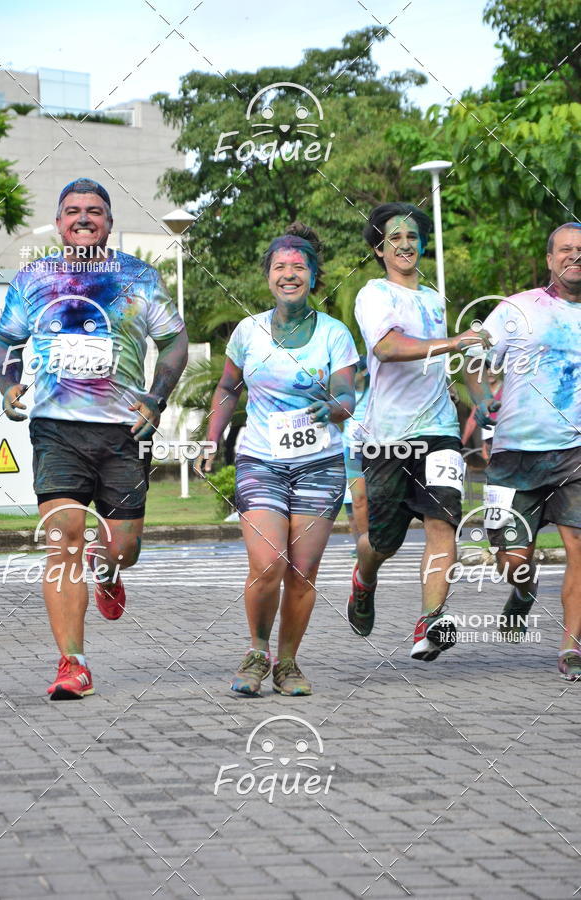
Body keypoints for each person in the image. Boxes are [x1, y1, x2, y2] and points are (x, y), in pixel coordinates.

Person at [0, 178, 188, 700]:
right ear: (58, 223)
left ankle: (110, 572)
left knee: (123, 547)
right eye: (73, 211)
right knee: (63, 543)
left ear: (108, 222)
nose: (83, 218)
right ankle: (72, 664)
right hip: (56, 429)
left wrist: (157, 396)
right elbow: (6, 342)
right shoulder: (34, 277)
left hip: (124, 428)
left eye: (94, 211)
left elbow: (173, 342)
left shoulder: (138, 277)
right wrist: (10, 384)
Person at [199, 223, 358, 696]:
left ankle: (287, 663)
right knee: (268, 563)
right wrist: (211, 438)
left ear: (313, 276)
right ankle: (256, 651)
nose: (289, 274)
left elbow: (349, 395)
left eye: (299, 267)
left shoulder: (334, 334)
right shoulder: (248, 332)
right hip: (260, 459)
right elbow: (228, 388)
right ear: (268, 275)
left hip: (320, 464)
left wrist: (331, 407)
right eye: (279, 266)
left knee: (302, 571)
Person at [347, 201, 491, 659]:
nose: (406, 244)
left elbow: (457, 359)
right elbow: (388, 348)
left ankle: (430, 621)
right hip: (388, 436)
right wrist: (453, 342)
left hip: (440, 432)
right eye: (395, 238)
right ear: (379, 250)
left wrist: (483, 401)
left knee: (442, 521)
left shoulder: (433, 298)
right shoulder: (373, 295)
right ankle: (364, 579)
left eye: (413, 237)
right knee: (382, 541)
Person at [464, 222, 581, 679]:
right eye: (565, 250)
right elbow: (475, 357)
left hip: (576, 452)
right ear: (550, 259)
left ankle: (571, 645)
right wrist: (481, 401)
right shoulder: (516, 309)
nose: (575, 256)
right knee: (511, 561)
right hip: (514, 454)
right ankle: (523, 588)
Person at [341, 356, 370, 552]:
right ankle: (360, 544)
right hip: (351, 451)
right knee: (353, 501)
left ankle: (373, 541)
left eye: (354, 371)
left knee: (375, 498)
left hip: (376, 449)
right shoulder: (343, 393)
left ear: (364, 372)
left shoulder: (375, 392)